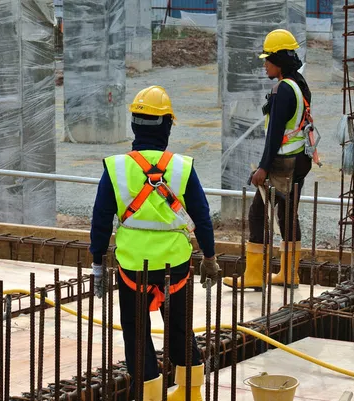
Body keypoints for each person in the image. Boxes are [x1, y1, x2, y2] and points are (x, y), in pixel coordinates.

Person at [89, 85, 220, 401]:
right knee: (179, 332)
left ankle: (149, 395)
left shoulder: (117, 168)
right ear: (168, 125)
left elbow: (100, 219)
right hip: (176, 268)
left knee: (137, 335)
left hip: (132, 268)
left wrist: (96, 264)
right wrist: (210, 257)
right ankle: (191, 393)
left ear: (134, 123)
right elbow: (202, 216)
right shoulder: (181, 167)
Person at [223, 29, 313, 290]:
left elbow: (274, 135)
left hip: (282, 162)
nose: (264, 65)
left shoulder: (283, 90)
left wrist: (262, 168)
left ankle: (253, 276)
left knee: (258, 213)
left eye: (267, 60)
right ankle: (288, 273)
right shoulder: (299, 84)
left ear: (279, 61)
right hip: (299, 159)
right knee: (287, 215)